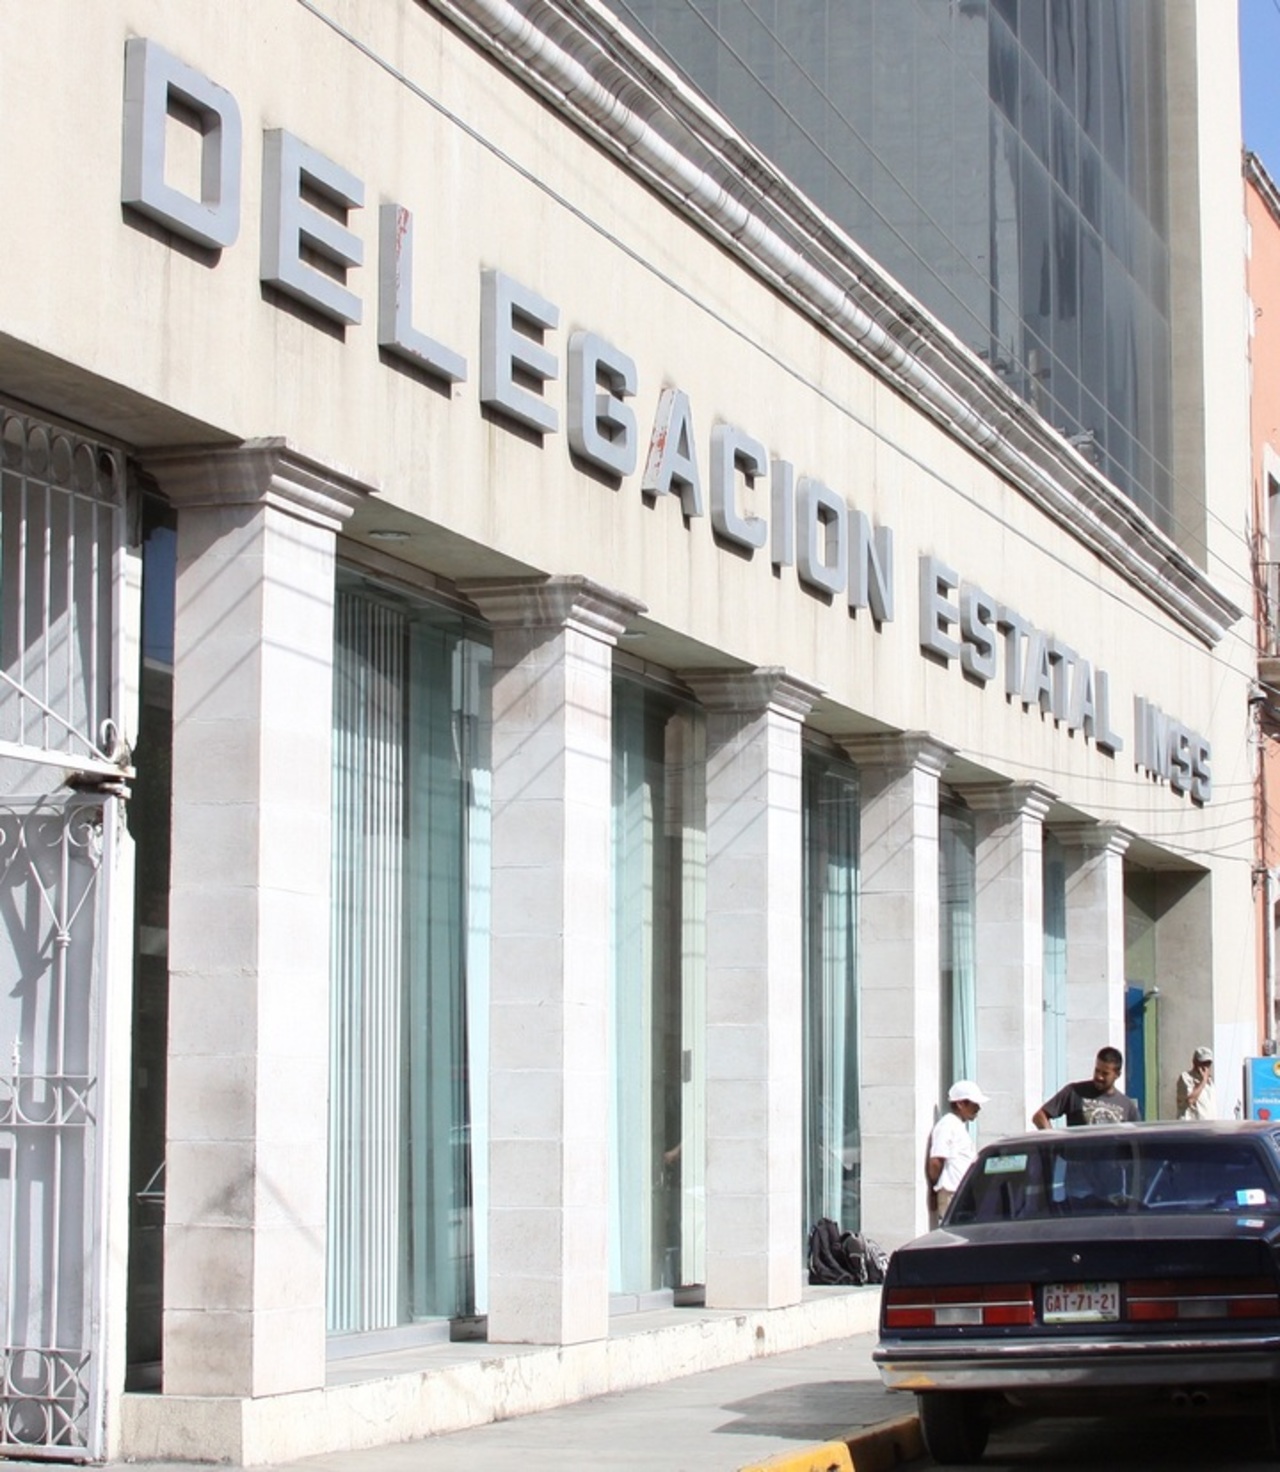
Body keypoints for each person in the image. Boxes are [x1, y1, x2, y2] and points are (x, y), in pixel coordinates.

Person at [1032, 1046, 1140, 1128]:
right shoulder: (1074, 1092)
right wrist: (1053, 1144)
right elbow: (1040, 1116)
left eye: (1105, 1073)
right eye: (1097, 1070)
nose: (1099, 1077)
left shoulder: (1128, 1107)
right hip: (1076, 1153)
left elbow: (1137, 1140)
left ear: (1117, 1075)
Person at [927, 1079, 989, 1220]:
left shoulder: (957, 1125)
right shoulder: (947, 1124)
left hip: (961, 1193)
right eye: (974, 1104)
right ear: (960, 1104)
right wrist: (933, 1190)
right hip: (952, 1193)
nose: (978, 1108)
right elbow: (936, 1161)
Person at [1176, 1046, 1215, 1120]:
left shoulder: (1210, 1082)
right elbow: (1190, 1100)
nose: (1205, 1066)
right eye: (1203, 1063)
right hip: (1192, 1124)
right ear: (1195, 1062)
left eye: (1208, 1063)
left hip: (1208, 1124)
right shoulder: (1186, 1077)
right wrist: (1203, 1081)